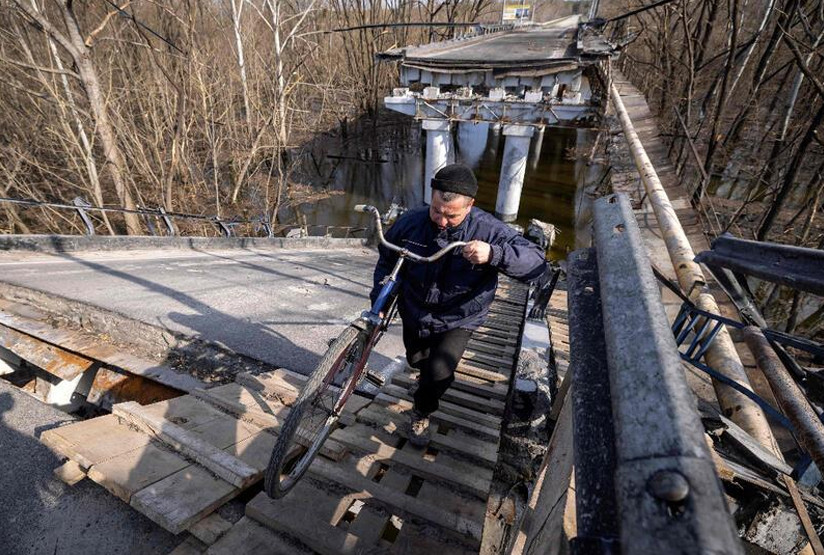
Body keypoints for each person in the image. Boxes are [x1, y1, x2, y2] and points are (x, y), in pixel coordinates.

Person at [370, 163, 547, 447]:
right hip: (415, 308)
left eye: (450, 216)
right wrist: (380, 298)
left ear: (470, 205)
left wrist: (494, 254)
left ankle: (421, 412)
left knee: (439, 372)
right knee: (418, 360)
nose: (441, 221)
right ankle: (425, 380)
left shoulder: (488, 230)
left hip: (459, 316)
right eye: (436, 211)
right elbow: (386, 259)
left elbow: (536, 262)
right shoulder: (411, 222)